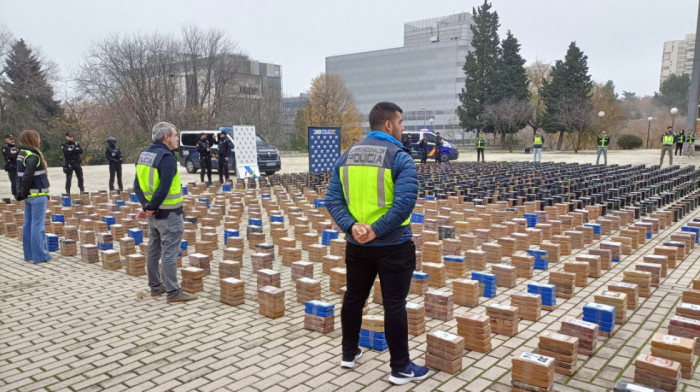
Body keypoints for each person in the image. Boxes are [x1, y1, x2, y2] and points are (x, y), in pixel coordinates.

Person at [325, 102, 429, 385]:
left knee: (354, 298)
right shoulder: (400, 157)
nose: (403, 128)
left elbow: (332, 200)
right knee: (394, 305)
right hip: (394, 245)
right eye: (401, 122)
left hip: (357, 246)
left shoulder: (345, 157)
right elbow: (405, 203)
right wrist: (377, 230)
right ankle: (400, 368)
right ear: (388, 125)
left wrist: (352, 226)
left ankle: (349, 353)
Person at [134, 122, 197, 303]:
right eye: (175, 135)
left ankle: (155, 287)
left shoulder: (144, 155)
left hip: (154, 215)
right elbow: (164, 187)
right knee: (169, 252)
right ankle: (173, 292)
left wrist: (147, 207)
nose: (177, 138)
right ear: (167, 138)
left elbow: (137, 185)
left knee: (154, 250)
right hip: (169, 214)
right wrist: (151, 206)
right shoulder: (167, 157)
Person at [14, 130, 52, 264]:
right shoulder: (32, 156)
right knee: (38, 225)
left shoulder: (22, 154)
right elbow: (27, 177)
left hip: (30, 195)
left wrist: (21, 193)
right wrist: (22, 193)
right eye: (38, 138)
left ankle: (29, 254)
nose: (39, 141)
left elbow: (20, 176)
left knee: (28, 224)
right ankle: (39, 256)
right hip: (37, 194)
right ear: (33, 140)